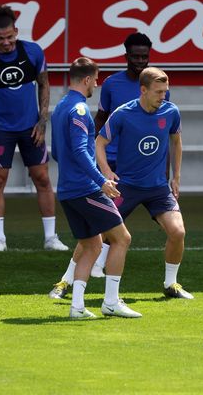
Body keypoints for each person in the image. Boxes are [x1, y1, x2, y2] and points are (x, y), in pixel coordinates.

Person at [48, 32, 168, 299]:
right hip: (106, 170)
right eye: (135, 56)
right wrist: (100, 171)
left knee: (96, 235)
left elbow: (165, 132)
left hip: (130, 171)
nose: (139, 60)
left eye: (144, 56)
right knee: (108, 235)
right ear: (125, 56)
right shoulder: (109, 87)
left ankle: (78, 295)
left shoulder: (159, 87)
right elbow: (93, 131)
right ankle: (73, 286)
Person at [0, 5, 68, 252]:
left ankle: (50, 238)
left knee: (43, 178)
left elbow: (44, 86)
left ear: (16, 31)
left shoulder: (33, 52)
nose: (7, 43)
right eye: (1, 39)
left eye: (10, 37)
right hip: (2, 129)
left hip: (31, 129)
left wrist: (42, 121)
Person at [50, 56, 140, 318]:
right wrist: (100, 180)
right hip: (84, 190)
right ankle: (111, 301)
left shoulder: (60, 107)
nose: (97, 84)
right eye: (96, 79)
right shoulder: (79, 110)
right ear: (87, 79)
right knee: (122, 238)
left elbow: (58, 152)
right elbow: (80, 151)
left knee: (92, 246)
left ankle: (77, 306)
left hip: (67, 190)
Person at [97, 66, 193, 300]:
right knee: (98, 232)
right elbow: (99, 142)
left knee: (178, 232)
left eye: (166, 91)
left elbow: (177, 143)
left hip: (158, 188)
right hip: (127, 186)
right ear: (143, 90)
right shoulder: (122, 113)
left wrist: (176, 176)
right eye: (159, 92)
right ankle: (68, 280)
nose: (164, 96)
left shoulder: (171, 112)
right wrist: (107, 171)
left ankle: (171, 285)